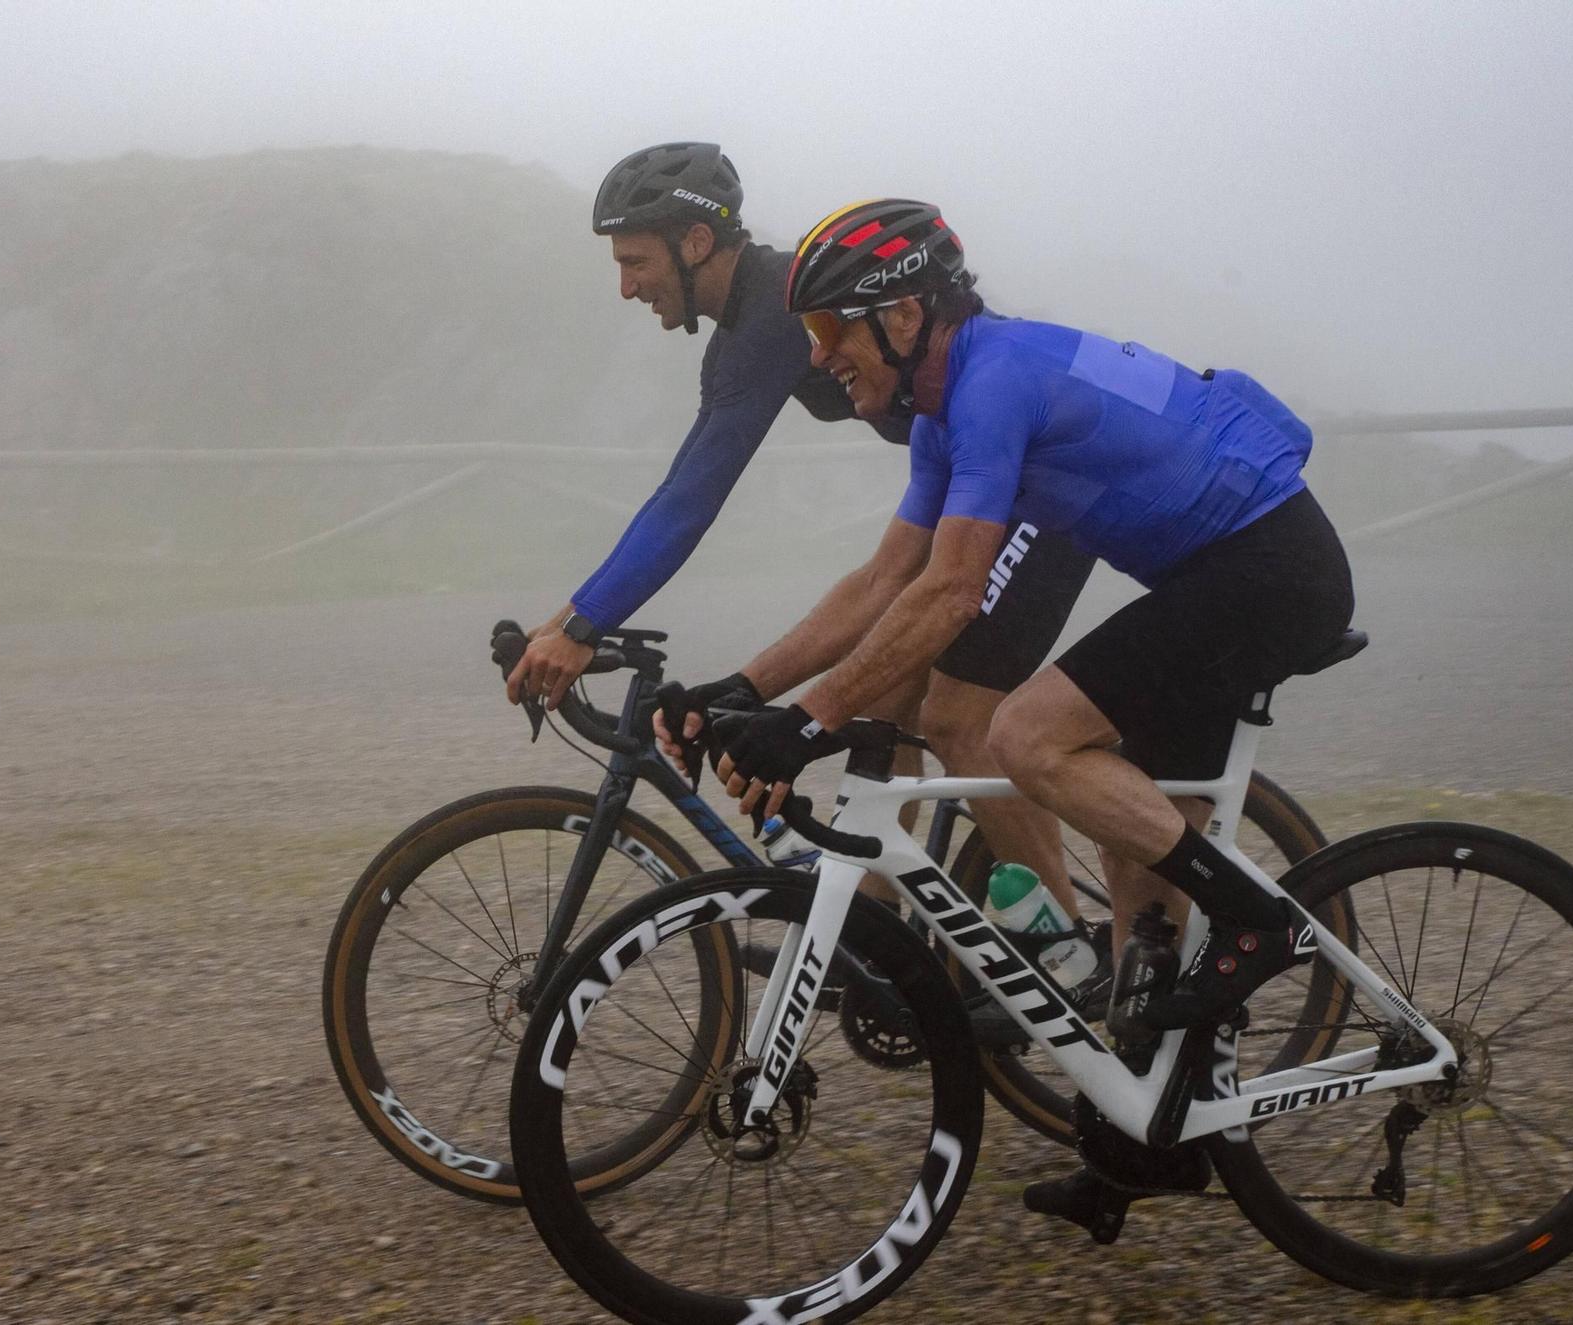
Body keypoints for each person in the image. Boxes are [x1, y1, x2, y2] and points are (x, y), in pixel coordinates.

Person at [681, 197, 1353, 1217]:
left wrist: (807, 721)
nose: (819, 359)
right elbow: (882, 582)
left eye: (829, 331)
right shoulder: (946, 411)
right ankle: (1149, 1142)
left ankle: (1255, 920)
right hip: (1215, 573)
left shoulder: (992, 380)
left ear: (902, 317)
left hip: (1266, 566)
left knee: (1022, 731)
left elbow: (951, 593)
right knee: (1132, 880)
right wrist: (746, 691)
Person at [506, 146, 1107, 1031]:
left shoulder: (772, 317)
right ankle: (874, 933)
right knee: (886, 689)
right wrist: (562, 623)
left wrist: (583, 624)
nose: (627, 287)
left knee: (950, 715)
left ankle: (1070, 963)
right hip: (977, 485)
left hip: (1040, 493)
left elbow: (689, 501)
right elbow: (680, 490)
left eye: (635, 262)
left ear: (698, 241)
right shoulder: (758, 312)